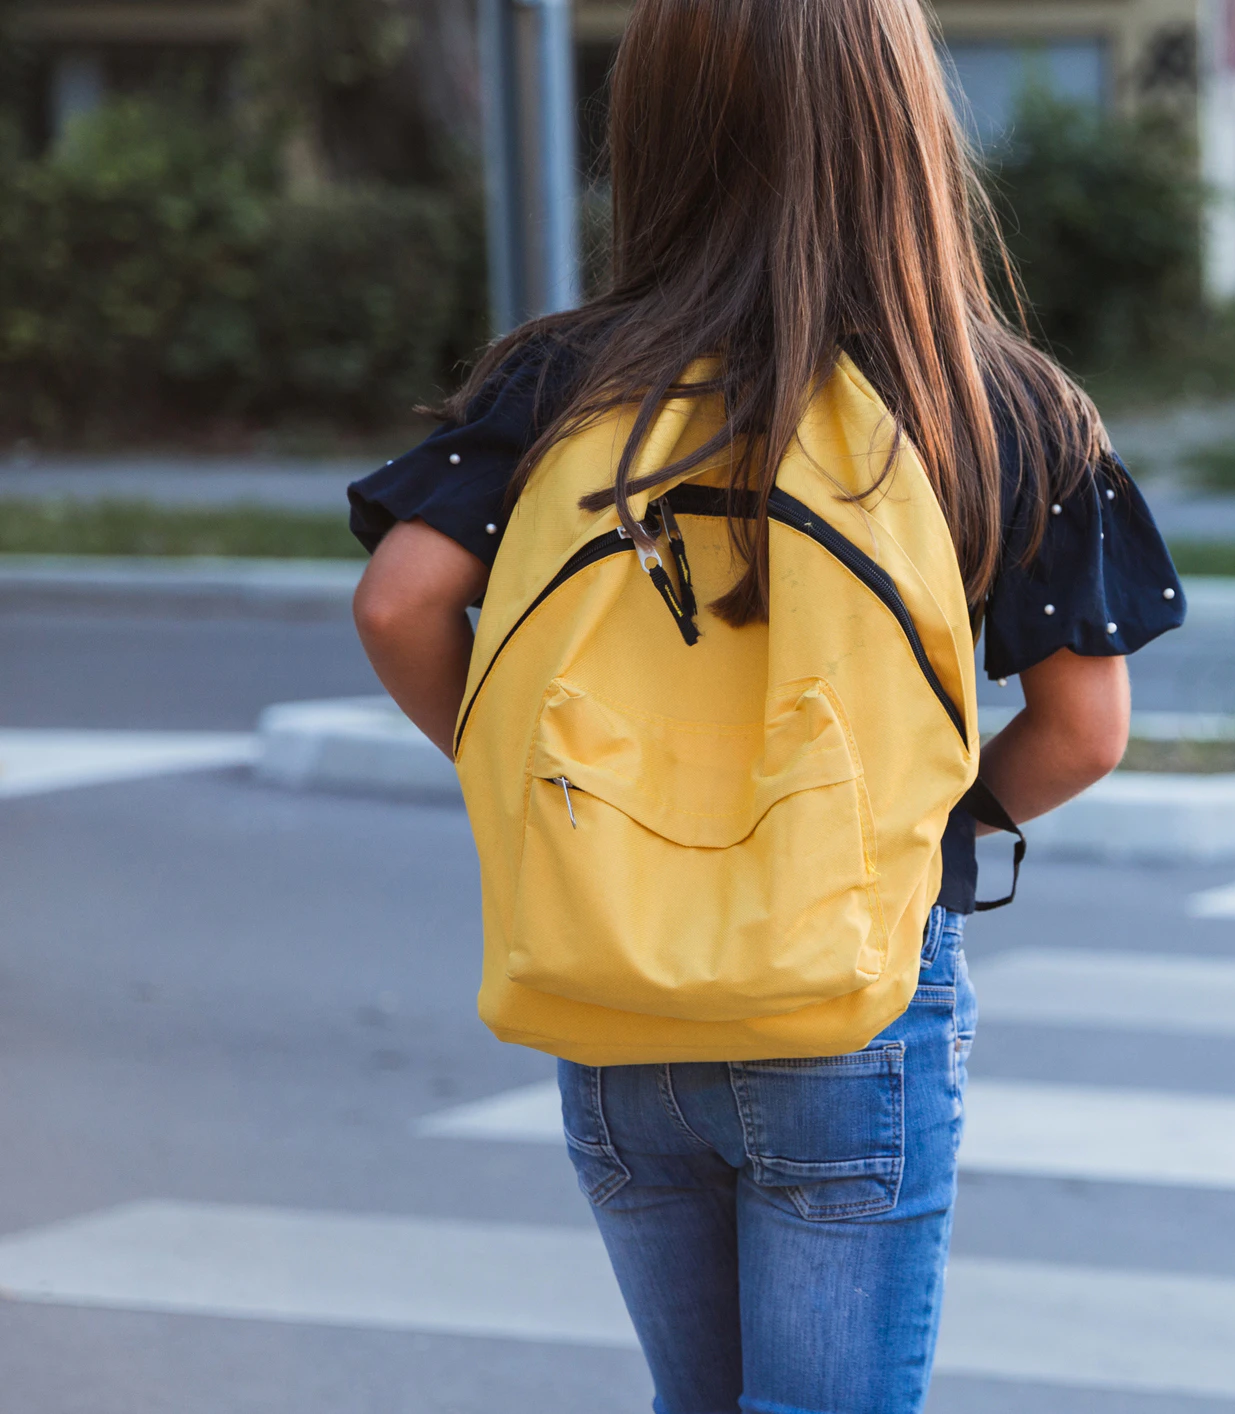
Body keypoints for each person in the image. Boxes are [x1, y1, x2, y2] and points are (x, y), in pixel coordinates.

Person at [343, 1, 1184, 1410]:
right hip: (848, 993)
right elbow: (1085, 728)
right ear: (901, 126)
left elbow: (397, 603)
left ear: (656, 130)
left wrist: (533, 782)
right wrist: (926, 820)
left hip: (616, 982)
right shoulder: (994, 401)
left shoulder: (560, 379)